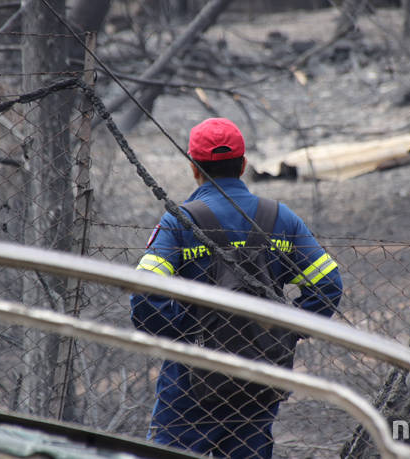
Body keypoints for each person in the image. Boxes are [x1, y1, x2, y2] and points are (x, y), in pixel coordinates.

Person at [130, 117, 342, 458]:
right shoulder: (281, 218)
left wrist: (186, 336)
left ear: (193, 168)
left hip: (190, 384)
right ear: (243, 165)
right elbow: (328, 285)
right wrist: (283, 330)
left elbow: (144, 298)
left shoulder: (179, 222)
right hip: (257, 377)